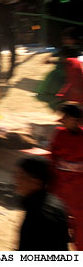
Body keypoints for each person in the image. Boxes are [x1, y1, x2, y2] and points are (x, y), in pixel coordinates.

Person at [15, 156, 70, 251]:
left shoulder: (38, 214)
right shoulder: (54, 202)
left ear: (36, 182)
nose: (16, 180)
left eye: (21, 176)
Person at [49, 102, 83, 250]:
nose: (62, 119)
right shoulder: (59, 134)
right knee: (56, 222)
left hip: (79, 189)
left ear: (75, 120)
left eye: (65, 117)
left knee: (80, 225)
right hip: (60, 186)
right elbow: (52, 158)